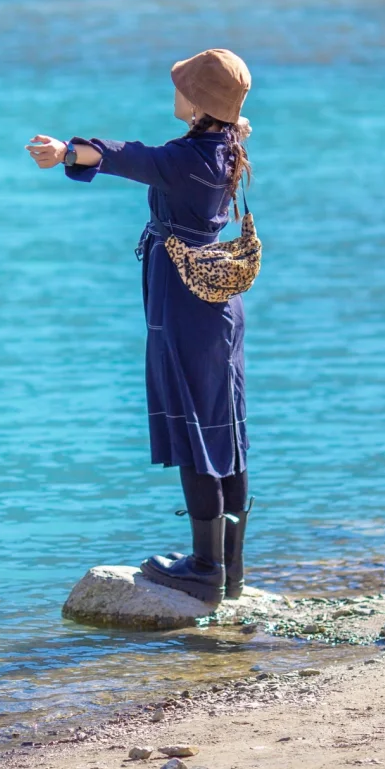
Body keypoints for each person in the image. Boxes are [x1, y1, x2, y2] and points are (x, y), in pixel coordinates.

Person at [26, 49, 255, 605]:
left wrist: (64, 151)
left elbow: (129, 157)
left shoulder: (187, 158)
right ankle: (230, 568)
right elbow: (149, 154)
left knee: (198, 431)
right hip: (215, 305)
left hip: (185, 305)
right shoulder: (226, 144)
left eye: (181, 86)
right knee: (225, 429)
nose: (172, 91)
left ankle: (204, 569)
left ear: (198, 103)